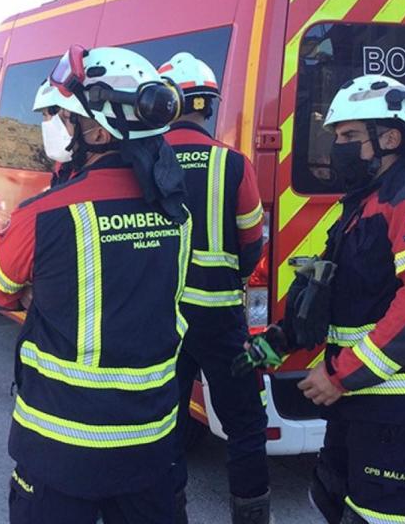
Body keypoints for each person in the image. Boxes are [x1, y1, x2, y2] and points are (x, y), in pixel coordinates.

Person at [234, 75, 405, 524]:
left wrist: (341, 375)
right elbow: (330, 290)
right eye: (337, 135)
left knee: (371, 517)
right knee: (328, 498)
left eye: (349, 136)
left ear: (390, 138)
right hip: (364, 400)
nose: (337, 145)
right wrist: (277, 341)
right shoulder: (366, 202)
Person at [0, 45, 190, 524]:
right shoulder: (176, 212)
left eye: (59, 113)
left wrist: (38, 284)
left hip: (59, 447)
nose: (51, 123)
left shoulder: (45, 214)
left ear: (96, 129)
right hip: (151, 440)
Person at [157, 52, 270, 524]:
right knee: (245, 427)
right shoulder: (234, 165)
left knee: (165, 428)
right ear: (208, 106)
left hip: (163, 321)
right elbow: (251, 246)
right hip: (222, 320)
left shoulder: (146, 163)